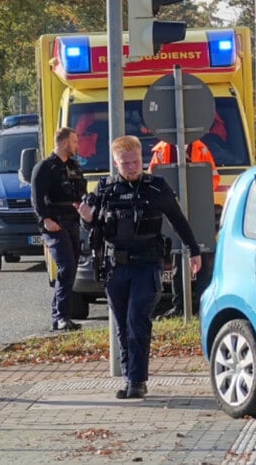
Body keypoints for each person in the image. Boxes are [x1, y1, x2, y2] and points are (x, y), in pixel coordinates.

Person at [78, 135, 201, 399]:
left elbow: (178, 220)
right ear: (115, 162)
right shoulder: (105, 190)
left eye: (135, 162)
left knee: (137, 320)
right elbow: (93, 229)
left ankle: (137, 380)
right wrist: (87, 221)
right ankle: (129, 377)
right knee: (122, 325)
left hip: (147, 265)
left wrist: (194, 250)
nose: (132, 167)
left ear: (142, 159)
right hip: (115, 267)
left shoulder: (156, 188)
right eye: (125, 163)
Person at [149, 138, 217, 319]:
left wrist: (199, 195)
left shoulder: (201, 148)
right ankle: (179, 306)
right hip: (173, 211)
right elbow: (153, 178)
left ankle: (203, 305)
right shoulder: (162, 150)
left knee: (203, 256)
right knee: (177, 257)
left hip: (199, 210)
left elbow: (213, 177)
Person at [31, 127, 87, 332]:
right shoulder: (45, 167)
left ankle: (60, 316)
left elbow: (81, 192)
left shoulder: (74, 166)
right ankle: (62, 316)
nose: (77, 146)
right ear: (64, 143)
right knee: (67, 266)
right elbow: (37, 198)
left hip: (73, 222)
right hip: (55, 223)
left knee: (71, 268)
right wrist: (45, 219)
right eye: (74, 142)